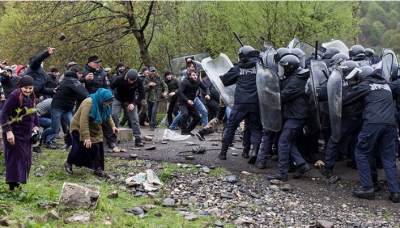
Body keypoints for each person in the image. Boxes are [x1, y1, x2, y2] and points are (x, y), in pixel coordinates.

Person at [342, 68, 399, 203]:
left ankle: (368, 188)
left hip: (373, 123)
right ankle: (395, 192)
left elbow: (346, 100)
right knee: (389, 159)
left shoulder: (366, 84)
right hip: (390, 124)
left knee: (361, 152)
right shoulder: (386, 86)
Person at [266, 54, 311, 181]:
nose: (282, 70)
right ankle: (301, 164)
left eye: (284, 67)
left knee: (283, 142)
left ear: (290, 67)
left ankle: (282, 173)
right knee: (287, 141)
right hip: (294, 114)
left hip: (296, 115)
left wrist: (267, 95)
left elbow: (283, 96)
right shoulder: (295, 76)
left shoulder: (297, 80)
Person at [218, 46, 263, 164]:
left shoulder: (238, 68)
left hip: (240, 103)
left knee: (231, 126)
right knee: (255, 128)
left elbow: (224, 80)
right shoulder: (260, 67)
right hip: (255, 103)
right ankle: (253, 152)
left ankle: (223, 153)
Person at [64, 88, 119, 177]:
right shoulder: (89, 103)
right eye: (106, 102)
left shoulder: (104, 105)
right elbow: (83, 120)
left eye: (108, 102)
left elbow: (107, 116)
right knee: (79, 147)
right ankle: (68, 163)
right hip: (78, 127)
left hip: (94, 127)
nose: (106, 104)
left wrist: (113, 126)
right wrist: (86, 137)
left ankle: (98, 169)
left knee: (98, 147)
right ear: (102, 98)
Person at [1, 76, 39, 191]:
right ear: (20, 87)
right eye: (25, 88)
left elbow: (33, 112)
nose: (28, 90)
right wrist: (8, 131)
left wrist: (36, 125)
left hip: (26, 134)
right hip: (14, 132)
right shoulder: (14, 96)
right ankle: (13, 187)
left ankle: (18, 184)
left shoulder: (31, 96)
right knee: (15, 159)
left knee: (24, 159)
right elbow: (4, 114)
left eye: (30, 88)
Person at [41, 65, 89, 150]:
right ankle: (41, 135)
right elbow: (84, 92)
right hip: (57, 108)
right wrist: (93, 99)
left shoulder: (70, 78)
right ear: (74, 73)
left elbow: (79, 83)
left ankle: (76, 146)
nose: (81, 75)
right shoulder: (72, 80)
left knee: (73, 127)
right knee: (54, 130)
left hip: (67, 108)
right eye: (80, 73)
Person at [80, 55, 117, 150]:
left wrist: (109, 97)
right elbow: (75, 83)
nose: (98, 64)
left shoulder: (103, 73)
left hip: (101, 101)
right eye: (96, 62)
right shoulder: (83, 72)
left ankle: (110, 141)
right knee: (80, 120)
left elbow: (108, 87)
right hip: (86, 101)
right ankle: (71, 141)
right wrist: (84, 79)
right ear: (90, 63)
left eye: (99, 62)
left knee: (105, 118)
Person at [111, 69, 145, 147]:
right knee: (114, 115)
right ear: (127, 77)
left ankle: (137, 138)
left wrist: (134, 104)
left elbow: (142, 94)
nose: (132, 82)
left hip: (130, 100)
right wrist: (109, 97)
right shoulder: (119, 79)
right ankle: (113, 136)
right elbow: (110, 87)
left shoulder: (138, 80)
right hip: (118, 99)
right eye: (130, 80)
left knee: (135, 119)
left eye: (134, 80)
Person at [177, 70, 210, 135]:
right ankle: (183, 131)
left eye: (196, 75)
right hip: (182, 102)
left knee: (197, 117)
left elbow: (206, 88)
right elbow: (179, 92)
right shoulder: (185, 81)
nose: (195, 77)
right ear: (190, 76)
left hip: (191, 102)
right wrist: (187, 100)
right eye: (193, 75)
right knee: (185, 114)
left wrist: (207, 94)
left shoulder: (198, 82)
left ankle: (188, 130)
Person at [144, 67, 168, 131]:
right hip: (149, 99)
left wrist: (165, 92)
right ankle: (151, 124)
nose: (153, 72)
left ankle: (152, 126)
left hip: (156, 98)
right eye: (152, 71)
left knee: (154, 112)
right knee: (149, 113)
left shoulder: (158, 78)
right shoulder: (146, 79)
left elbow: (165, 85)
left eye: (154, 71)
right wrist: (149, 85)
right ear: (149, 72)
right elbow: (143, 88)